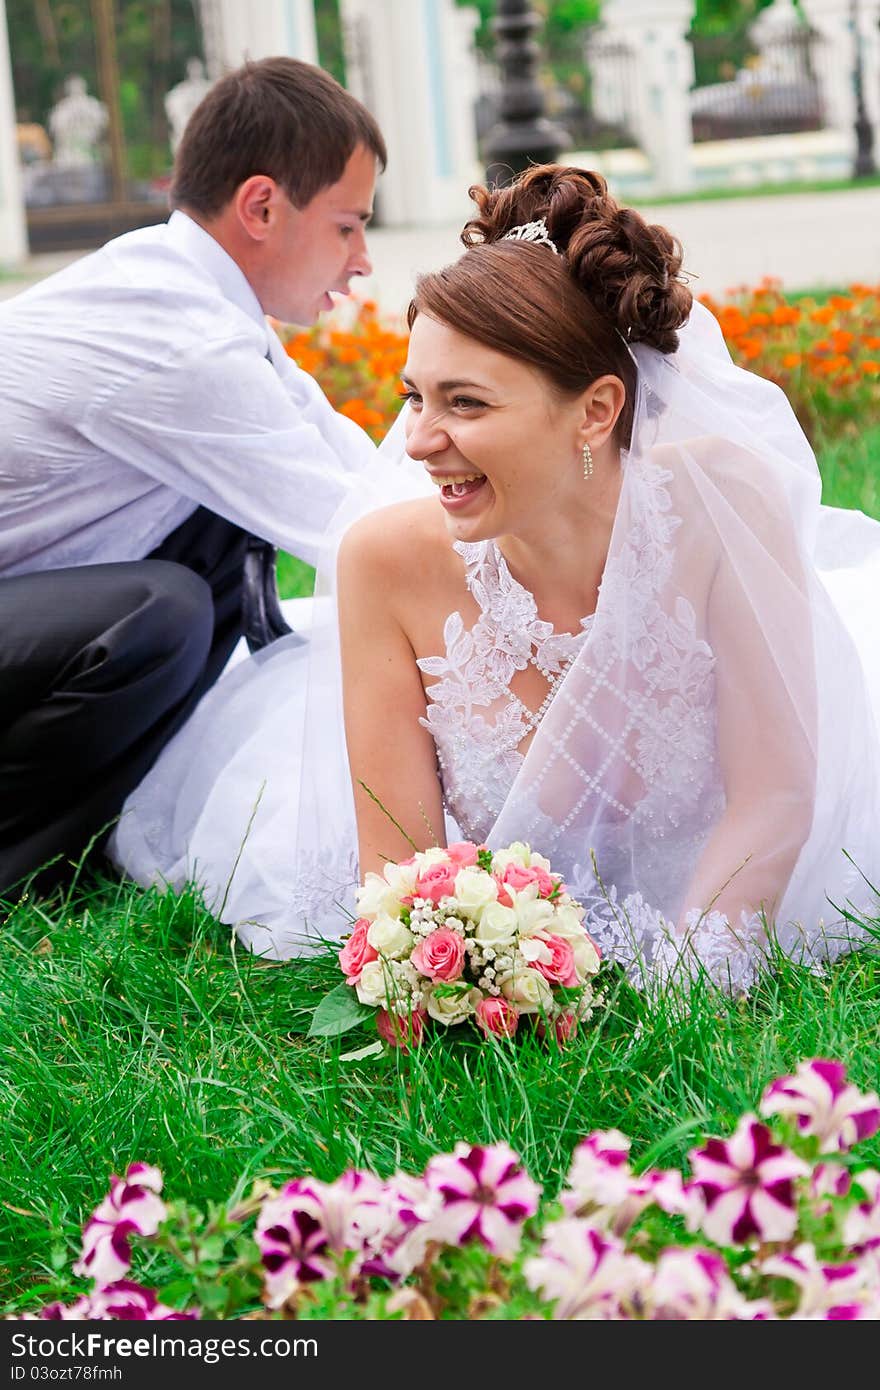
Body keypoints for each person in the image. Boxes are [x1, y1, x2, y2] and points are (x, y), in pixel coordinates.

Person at [110, 164, 880, 994]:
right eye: (415, 397)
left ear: (596, 409)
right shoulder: (384, 564)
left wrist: (689, 986)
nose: (417, 441)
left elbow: (774, 802)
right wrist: (461, 979)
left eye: (466, 404)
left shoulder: (724, 505)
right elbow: (400, 879)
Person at [0, 56, 386, 898]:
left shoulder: (191, 293)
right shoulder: (182, 342)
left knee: (212, 541)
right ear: (261, 206)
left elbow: (346, 459)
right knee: (159, 613)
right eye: (348, 226)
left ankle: (98, 810)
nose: (362, 262)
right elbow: (356, 529)